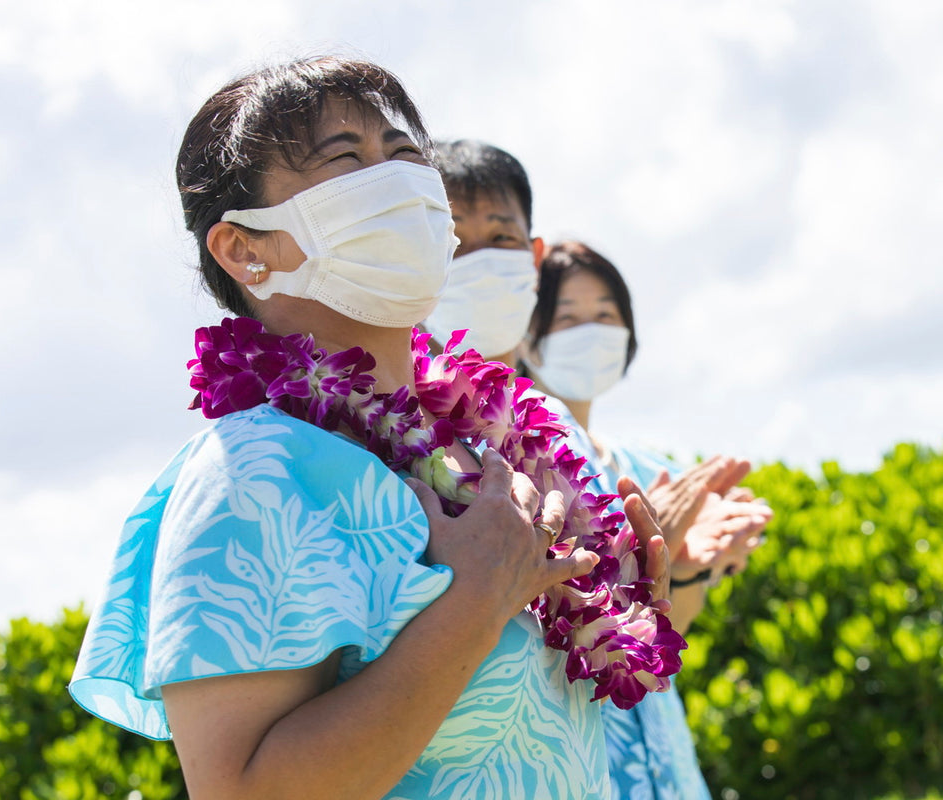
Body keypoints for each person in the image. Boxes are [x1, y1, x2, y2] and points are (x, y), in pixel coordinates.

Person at [68, 57, 672, 799]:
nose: (396, 181)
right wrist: (476, 601)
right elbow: (241, 792)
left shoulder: (491, 449)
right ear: (244, 249)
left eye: (404, 154)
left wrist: (614, 593)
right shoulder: (250, 471)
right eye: (347, 160)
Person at [429, 140, 770, 800]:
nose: (476, 262)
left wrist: (678, 566)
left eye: (498, 236)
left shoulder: (566, 439)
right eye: (452, 241)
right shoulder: (417, 437)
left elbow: (641, 635)